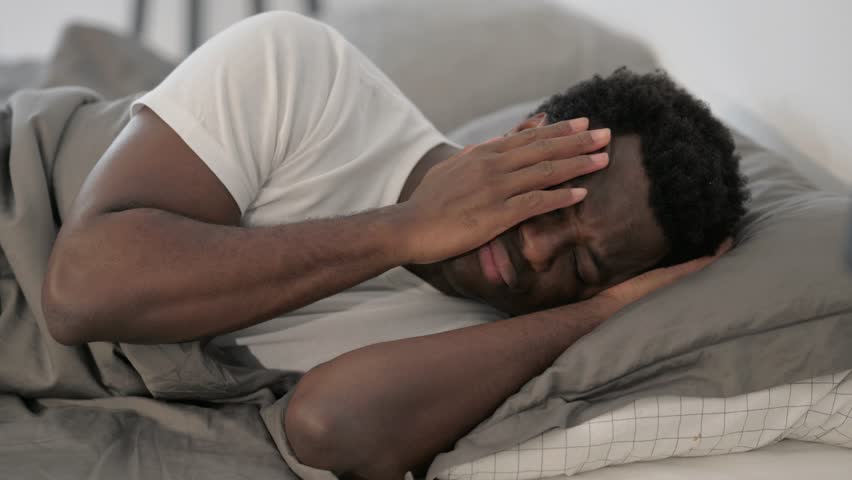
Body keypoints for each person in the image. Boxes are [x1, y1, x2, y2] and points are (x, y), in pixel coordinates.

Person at [41, 12, 747, 479]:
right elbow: (81, 290)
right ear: (526, 137)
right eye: (549, 201)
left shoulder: (493, 346)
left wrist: (595, 318)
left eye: (582, 264)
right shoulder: (303, 73)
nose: (536, 253)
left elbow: (330, 424)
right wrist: (404, 228)